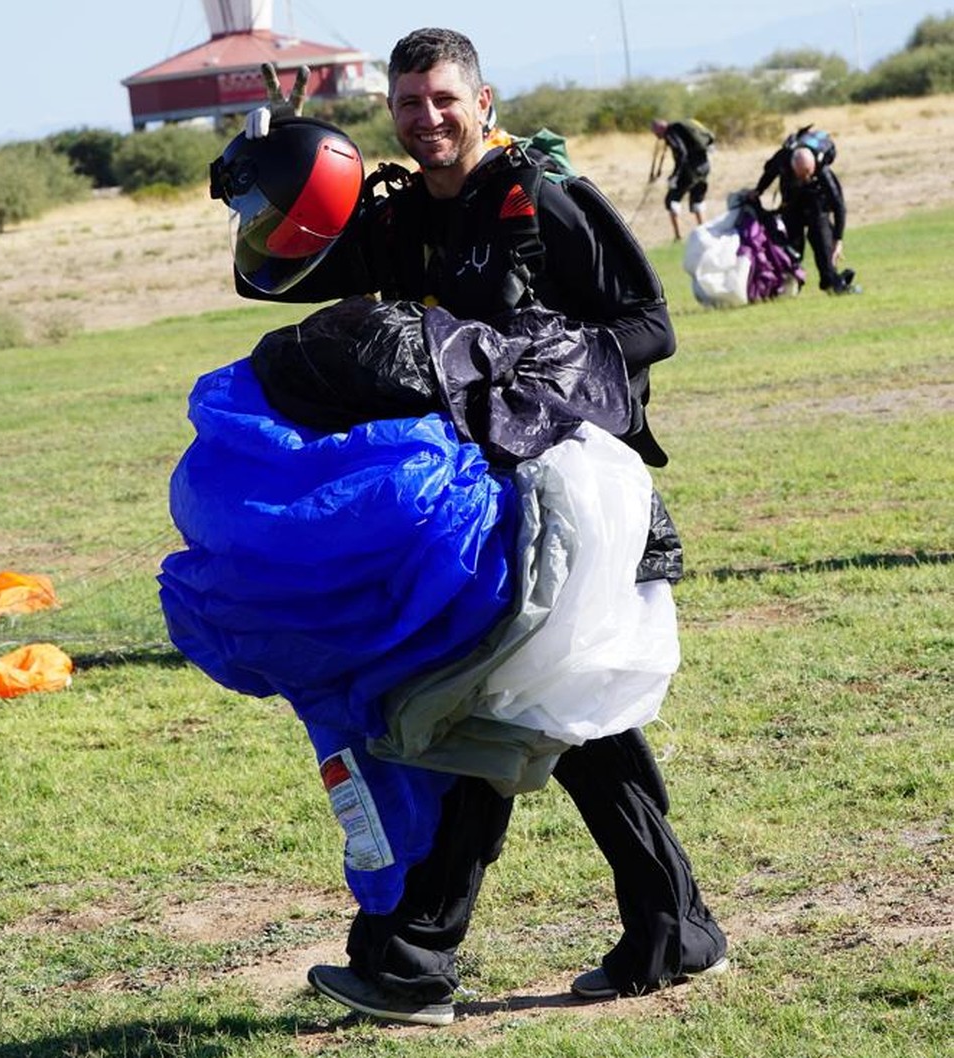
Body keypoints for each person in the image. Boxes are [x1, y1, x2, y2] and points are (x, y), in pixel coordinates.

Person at [231, 27, 728, 1026]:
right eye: (409, 103)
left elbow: (649, 325)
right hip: (470, 503)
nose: (428, 118)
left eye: (444, 99)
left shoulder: (541, 198)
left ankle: (413, 957)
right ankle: (670, 926)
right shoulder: (400, 213)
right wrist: (269, 178)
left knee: (484, 698)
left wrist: (517, 363)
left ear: (483, 100)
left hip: (569, 492)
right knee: (553, 706)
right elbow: (282, 274)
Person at [753, 135, 859, 295]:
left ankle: (831, 283)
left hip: (816, 204)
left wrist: (838, 240)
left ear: (814, 166)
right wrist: (758, 191)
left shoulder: (822, 170)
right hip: (792, 204)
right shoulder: (783, 159)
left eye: (809, 174)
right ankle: (788, 286)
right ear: (792, 166)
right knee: (792, 249)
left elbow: (839, 205)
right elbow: (769, 174)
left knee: (823, 243)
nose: (806, 178)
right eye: (802, 175)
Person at [650, 118, 714, 241]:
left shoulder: (671, 132)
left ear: (659, 128)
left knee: (672, 200)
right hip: (704, 167)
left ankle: (678, 236)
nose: (656, 136)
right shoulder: (682, 130)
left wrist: (675, 175)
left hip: (690, 171)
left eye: (655, 132)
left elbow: (681, 153)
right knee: (698, 200)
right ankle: (704, 233)